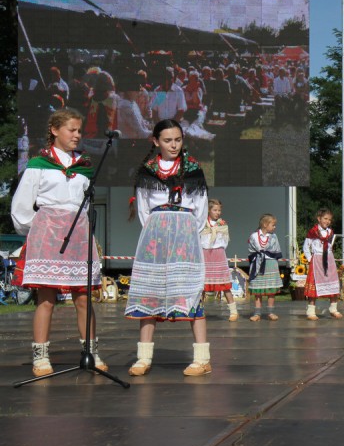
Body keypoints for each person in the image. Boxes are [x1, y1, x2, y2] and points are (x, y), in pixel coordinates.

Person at [11, 108, 106, 376]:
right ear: (55, 130)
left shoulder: (84, 167)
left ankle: (90, 351)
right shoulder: (39, 164)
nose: (77, 135)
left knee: (83, 297)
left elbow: (85, 206)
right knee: (46, 298)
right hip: (48, 234)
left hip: (77, 234)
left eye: (79, 130)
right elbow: (21, 207)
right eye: (72, 130)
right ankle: (40, 356)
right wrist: (39, 229)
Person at [124, 119, 211, 376]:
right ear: (156, 141)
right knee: (149, 293)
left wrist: (184, 234)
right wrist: (158, 230)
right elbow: (143, 210)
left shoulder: (193, 168)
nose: (174, 145)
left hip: (185, 234)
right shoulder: (147, 170)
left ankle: (202, 359)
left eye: (178, 140)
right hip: (156, 234)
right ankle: (143, 357)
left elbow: (201, 208)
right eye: (168, 140)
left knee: (191, 292)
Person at [200, 199, 238, 322]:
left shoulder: (222, 224)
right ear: (208, 210)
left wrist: (218, 249)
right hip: (205, 254)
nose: (218, 212)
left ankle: (233, 311)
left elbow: (225, 241)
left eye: (219, 210)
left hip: (218, 254)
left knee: (224, 284)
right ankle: (199, 310)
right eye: (215, 210)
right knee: (201, 285)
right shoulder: (202, 224)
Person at [303, 208, 343, 320]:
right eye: (325, 218)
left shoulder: (330, 232)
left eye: (329, 219)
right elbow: (306, 247)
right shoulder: (313, 231)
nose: (327, 221)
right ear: (319, 218)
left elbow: (329, 245)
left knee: (333, 282)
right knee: (314, 284)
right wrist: (310, 259)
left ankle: (333, 308)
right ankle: (311, 311)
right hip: (317, 259)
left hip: (329, 259)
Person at [247, 213, 283, 321]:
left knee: (271, 290)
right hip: (258, 263)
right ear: (265, 224)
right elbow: (254, 248)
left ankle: (270, 312)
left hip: (271, 263)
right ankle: (257, 313)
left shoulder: (274, 236)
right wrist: (261, 252)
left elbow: (276, 250)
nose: (274, 227)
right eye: (273, 225)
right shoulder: (254, 236)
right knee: (258, 290)